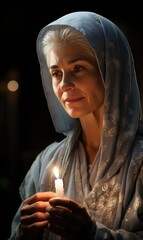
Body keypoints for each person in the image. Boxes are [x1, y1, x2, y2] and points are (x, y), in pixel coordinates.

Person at [9, 11, 143, 240]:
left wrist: (92, 234)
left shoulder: (139, 163)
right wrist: (24, 233)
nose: (64, 84)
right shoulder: (46, 162)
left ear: (110, 70)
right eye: (56, 73)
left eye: (78, 68)